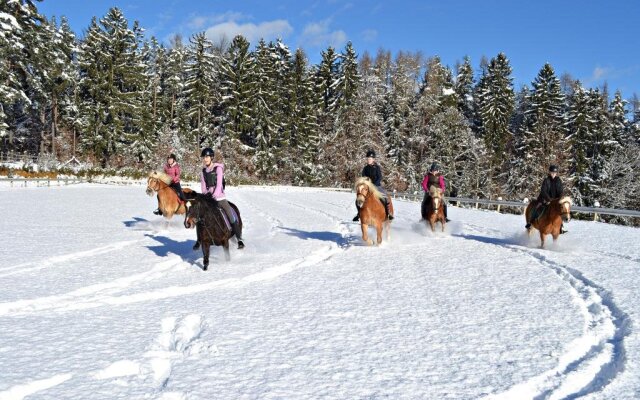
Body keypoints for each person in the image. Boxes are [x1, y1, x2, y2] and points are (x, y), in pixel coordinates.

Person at [199, 147, 245, 249]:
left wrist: (214, 196)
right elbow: (203, 187)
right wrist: (207, 197)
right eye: (204, 157)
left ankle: (239, 239)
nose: (205, 159)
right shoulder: (203, 171)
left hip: (220, 198)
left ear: (211, 157)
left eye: (207, 157)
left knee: (230, 215)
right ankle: (201, 239)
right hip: (209, 200)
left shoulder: (218, 168)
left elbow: (219, 184)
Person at [352, 150, 393, 221]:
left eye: (370, 159)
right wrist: (366, 184)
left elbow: (379, 177)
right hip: (367, 187)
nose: (368, 160)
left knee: (385, 197)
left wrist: (374, 184)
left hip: (377, 186)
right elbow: (363, 178)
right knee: (358, 200)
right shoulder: (365, 168)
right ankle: (359, 214)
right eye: (367, 159)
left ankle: (388, 213)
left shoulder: (377, 167)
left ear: (373, 159)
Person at [526, 164, 566, 233]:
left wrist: (559, 199)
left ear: (556, 173)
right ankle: (531, 222)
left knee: (561, 210)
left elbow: (561, 191)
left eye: (555, 173)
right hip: (544, 198)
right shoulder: (546, 180)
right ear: (549, 172)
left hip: (555, 200)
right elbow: (543, 191)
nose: (553, 174)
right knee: (537, 207)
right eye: (552, 172)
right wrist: (549, 199)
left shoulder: (558, 180)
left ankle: (561, 226)